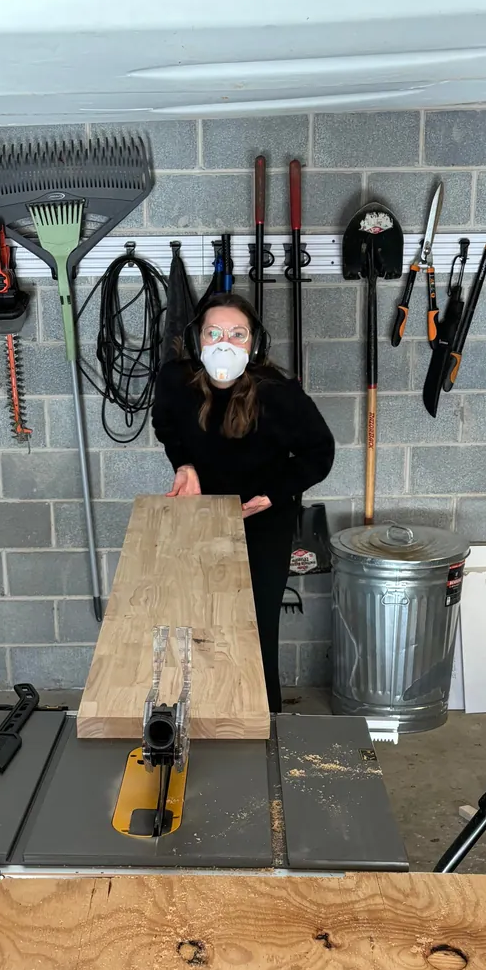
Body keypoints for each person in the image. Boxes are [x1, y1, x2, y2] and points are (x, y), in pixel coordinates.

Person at [152, 291, 335, 712]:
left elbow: (319, 454)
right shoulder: (175, 381)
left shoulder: (278, 393)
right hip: (203, 512)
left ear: (254, 344)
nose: (224, 343)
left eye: (237, 334)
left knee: (253, 628)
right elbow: (165, 424)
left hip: (264, 518)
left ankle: (263, 720)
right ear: (197, 339)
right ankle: (206, 716)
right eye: (213, 332)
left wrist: (271, 495)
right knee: (201, 622)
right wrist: (184, 466)